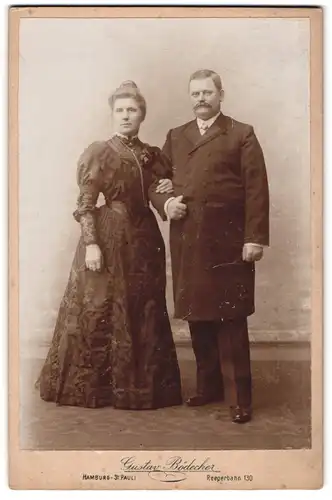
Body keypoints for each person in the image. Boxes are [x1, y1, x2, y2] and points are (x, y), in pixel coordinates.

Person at [36, 81, 183, 410]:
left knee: (142, 308)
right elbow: (86, 203)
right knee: (102, 309)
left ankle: (140, 388)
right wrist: (92, 244)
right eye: (120, 111)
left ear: (142, 114)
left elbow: (162, 189)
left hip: (144, 241)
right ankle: (101, 389)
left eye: (132, 110)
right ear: (112, 115)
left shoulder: (151, 155)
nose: (126, 116)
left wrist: (169, 192)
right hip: (109, 237)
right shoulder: (99, 152)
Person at [149, 69, 269, 423]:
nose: (201, 99)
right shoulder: (176, 135)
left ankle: (239, 398)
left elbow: (256, 189)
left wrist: (254, 238)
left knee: (230, 319)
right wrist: (167, 205)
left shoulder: (241, 134)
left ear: (221, 94)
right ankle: (208, 387)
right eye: (195, 94)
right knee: (198, 315)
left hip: (229, 242)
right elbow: (157, 182)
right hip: (188, 239)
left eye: (207, 92)